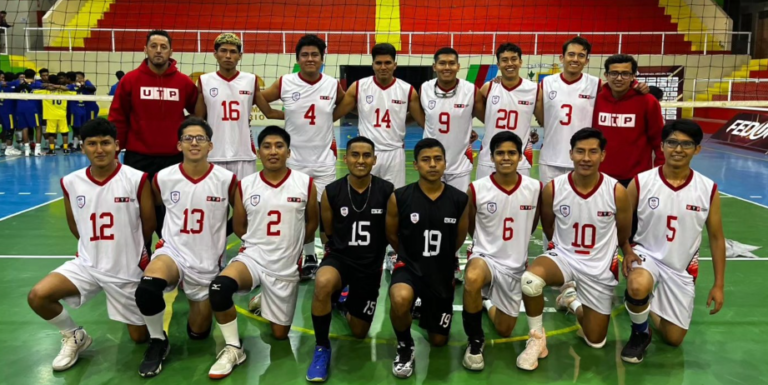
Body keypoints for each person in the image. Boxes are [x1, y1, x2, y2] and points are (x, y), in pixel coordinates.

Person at [26, 118, 156, 371]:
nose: (99, 149)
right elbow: (75, 225)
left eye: (105, 143)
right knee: (38, 296)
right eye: (92, 144)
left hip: (126, 269)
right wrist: (93, 248)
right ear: (83, 147)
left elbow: (148, 224)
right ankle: (74, 335)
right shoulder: (71, 182)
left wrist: (132, 254)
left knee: (140, 338)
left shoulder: (136, 179)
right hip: (88, 264)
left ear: (117, 145)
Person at [516, 128, 635, 371]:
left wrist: (623, 251)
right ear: (570, 154)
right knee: (530, 281)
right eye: (580, 151)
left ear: (603, 155)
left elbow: (624, 232)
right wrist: (559, 249)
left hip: (599, 266)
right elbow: (548, 227)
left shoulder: (616, 192)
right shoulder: (554, 188)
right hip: (565, 257)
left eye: (593, 152)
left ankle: (570, 301)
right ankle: (537, 339)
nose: (586, 158)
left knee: (596, 341)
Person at [207, 126, 318, 379]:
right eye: (267, 146)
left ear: (289, 151)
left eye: (279, 146)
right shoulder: (246, 184)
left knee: (280, 335)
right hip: (253, 258)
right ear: (258, 152)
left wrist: (294, 248)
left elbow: (312, 223)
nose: (273, 151)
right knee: (219, 288)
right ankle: (234, 348)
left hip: (285, 267)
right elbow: (239, 226)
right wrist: (256, 245)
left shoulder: (305, 183)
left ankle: (263, 299)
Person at [134, 117, 236, 377]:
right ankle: (158, 341)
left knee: (198, 333)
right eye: (188, 138)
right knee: (147, 288)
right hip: (173, 252)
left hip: (206, 259)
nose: (194, 143)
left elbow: (242, 215)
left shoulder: (226, 179)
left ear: (210, 146)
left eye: (200, 138)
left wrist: (221, 235)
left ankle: (195, 315)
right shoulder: (163, 178)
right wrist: (163, 237)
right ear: (178, 145)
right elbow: (154, 207)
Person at [620, 119, 725, 363]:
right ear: (662, 146)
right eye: (672, 143)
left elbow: (717, 238)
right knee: (637, 285)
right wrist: (626, 249)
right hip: (647, 256)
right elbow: (620, 221)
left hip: (681, 266)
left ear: (697, 149)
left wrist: (719, 284)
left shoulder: (707, 188)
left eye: (686, 144)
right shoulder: (641, 181)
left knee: (673, 339)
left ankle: (644, 305)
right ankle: (640, 333)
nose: (678, 149)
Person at [306, 136, 394, 382]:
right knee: (323, 282)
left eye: (367, 155)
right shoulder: (332, 191)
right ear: (345, 158)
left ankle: (343, 302)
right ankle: (322, 348)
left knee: (359, 332)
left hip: (370, 266)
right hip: (341, 259)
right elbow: (327, 233)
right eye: (355, 154)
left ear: (374, 160)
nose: (361, 160)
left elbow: (392, 230)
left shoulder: (387, 191)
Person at [260, 34, 343, 279]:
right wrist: (281, 116)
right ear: (297, 58)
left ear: (322, 58)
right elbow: (260, 99)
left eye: (314, 55)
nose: (310, 59)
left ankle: (329, 254)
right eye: (305, 55)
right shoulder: (286, 82)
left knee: (326, 210)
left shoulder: (331, 83)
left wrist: (329, 119)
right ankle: (307, 254)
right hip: (295, 160)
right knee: (300, 210)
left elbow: (344, 103)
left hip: (324, 160)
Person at [386, 138, 470, 379]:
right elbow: (392, 234)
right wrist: (408, 255)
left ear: (445, 163)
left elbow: (459, 238)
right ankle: (404, 346)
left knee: (439, 340)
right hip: (409, 266)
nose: (432, 164)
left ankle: (422, 307)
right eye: (426, 160)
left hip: (440, 272)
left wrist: (440, 259)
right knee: (400, 298)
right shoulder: (400, 197)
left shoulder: (459, 199)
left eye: (437, 159)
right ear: (416, 165)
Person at [108, 29, 198, 253]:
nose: (159, 51)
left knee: (173, 211)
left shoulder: (184, 82)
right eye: (154, 46)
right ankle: (142, 256)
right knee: (138, 211)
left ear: (171, 51)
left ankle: (175, 256)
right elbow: (118, 117)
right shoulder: (130, 80)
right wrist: (114, 150)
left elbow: (198, 113)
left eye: (163, 47)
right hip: (138, 158)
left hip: (174, 159)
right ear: (145, 49)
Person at [462, 131, 542, 371]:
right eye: (500, 153)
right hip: (486, 257)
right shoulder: (477, 188)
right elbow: (471, 225)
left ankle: (485, 302)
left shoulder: (535, 188)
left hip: (515, 265)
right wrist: (484, 246)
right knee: (473, 278)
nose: (506, 158)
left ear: (520, 157)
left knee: (505, 330)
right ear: (491, 156)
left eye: (511, 153)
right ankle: (475, 342)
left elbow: (534, 222)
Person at [332, 43, 423, 189]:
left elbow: (423, 121)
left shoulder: (407, 90)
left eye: (387, 63)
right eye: (378, 63)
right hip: (366, 152)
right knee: (364, 194)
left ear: (395, 65)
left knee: (394, 197)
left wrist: (399, 121)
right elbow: (334, 115)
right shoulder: (359, 87)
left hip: (394, 153)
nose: (383, 67)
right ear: (372, 65)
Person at [195, 33, 283, 179]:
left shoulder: (250, 80)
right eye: (223, 51)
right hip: (214, 154)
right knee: (214, 201)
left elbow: (269, 113)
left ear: (240, 55)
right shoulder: (205, 81)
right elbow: (199, 120)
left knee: (244, 200)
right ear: (215, 54)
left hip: (244, 154)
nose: (228, 56)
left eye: (233, 52)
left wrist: (298, 114)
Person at [593, 53, 665, 187]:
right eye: (614, 73)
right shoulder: (596, 99)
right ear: (606, 75)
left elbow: (659, 140)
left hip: (637, 179)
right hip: (600, 176)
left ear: (633, 76)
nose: (619, 78)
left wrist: (659, 173)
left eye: (625, 74)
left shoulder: (648, 101)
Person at [419, 47, 478, 193]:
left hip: (460, 164)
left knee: (459, 208)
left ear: (458, 66)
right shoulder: (424, 88)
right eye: (442, 63)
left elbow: (486, 115)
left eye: (451, 63)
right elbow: (417, 115)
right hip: (431, 163)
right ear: (434, 66)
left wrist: (464, 126)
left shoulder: (471, 90)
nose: (447, 67)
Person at [475, 43, 538, 179]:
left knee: (520, 199)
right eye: (504, 60)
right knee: (483, 198)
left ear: (520, 62)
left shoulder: (534, 89)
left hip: (520, 159)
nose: (510, 63)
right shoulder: (489, 87)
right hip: (489, 158)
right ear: (498, 64)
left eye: (514, 59)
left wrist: (532, 133)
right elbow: (481, 113)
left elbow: (543, 119)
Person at [33, 75, 74, 155]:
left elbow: (33, 91)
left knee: (51, 133)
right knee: (64, 133)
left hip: (50, 115)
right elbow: (74, 92)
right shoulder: (64, 92)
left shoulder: (45, 91)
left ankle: (52, 150)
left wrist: (44, 86)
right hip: (62, 115)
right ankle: (65, 149)